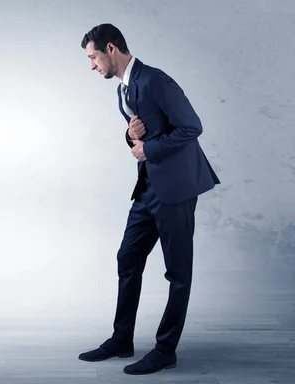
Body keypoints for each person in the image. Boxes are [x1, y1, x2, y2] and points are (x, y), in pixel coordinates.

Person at [77, 24, 220, 375]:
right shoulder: (123, 89)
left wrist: (147, 149)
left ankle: (165, 349)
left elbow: (191, 127)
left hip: (176, 189)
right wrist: (130, 137)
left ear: (110, 48)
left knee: (178, 272)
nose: (92, 66)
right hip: (147, 189)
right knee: (127, 258)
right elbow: (142, 134)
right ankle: (121, 339)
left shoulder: (156, 80)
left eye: (93, 57)